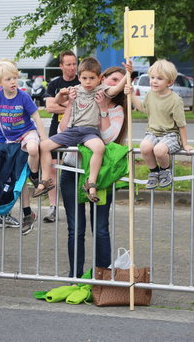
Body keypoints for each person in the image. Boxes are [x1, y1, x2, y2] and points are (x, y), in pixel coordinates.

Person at [60, 66, 127, 277]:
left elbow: (107, 138)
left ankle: (102, 278)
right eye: (113, 80)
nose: (116, 85)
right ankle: (75, 277)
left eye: (120, 82)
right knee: (75, 229)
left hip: (101, 177)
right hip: (73, 169)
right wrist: (70, 103)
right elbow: (63, 130)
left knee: (100, 229)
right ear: (102, 80)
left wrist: (103, 110)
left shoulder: (117, 110)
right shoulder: (81, 98)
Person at [35, 57, 126, 202]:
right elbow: (57, 102)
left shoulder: (101, 90)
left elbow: (116, 88)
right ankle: (45, 180)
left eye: (92, 78)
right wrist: (61, 94)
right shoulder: (75, 90)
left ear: (99, 78)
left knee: (99, 147)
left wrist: (128, 74)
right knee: (44, 145)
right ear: (79, 77)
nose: (88, 82)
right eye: (84, 78)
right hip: (73, 130)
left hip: (89, 132)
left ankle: (91, 183)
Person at [0, 59, 48, 235]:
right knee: (18, 178)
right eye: (8, 79)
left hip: (27, 134)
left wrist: (44, 138)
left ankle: (35, 175)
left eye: (15, 78)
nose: (13, 82)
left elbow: (37, 117)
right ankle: (27, 213)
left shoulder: (23, 96)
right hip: (9, 140)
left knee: (33, 149)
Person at [124, 59, 194, 189]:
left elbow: (181, 124)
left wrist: (185, 144)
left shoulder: (175, 100)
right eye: (152, 77)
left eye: (160, 78)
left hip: (171, 134)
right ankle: (154, 172)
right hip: (153, 132)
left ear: (170, 82)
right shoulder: (150, 94)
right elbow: (143, 108)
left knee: (159, 150)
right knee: (144, 146)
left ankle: (166, 171)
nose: (154, 81)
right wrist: (132, 94)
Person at [42, 50, 80, 222]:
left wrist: (62, 104)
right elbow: (49, 107)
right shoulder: (55, 84)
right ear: (61, 66)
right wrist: (72, 107)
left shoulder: (82, 81)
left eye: (74, 64)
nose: (72, 68)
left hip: (78, 130)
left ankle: (77, 205)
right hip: (56, 129)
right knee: (52, 168)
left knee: (77, 167)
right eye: (68, 64)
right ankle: (53, 207)